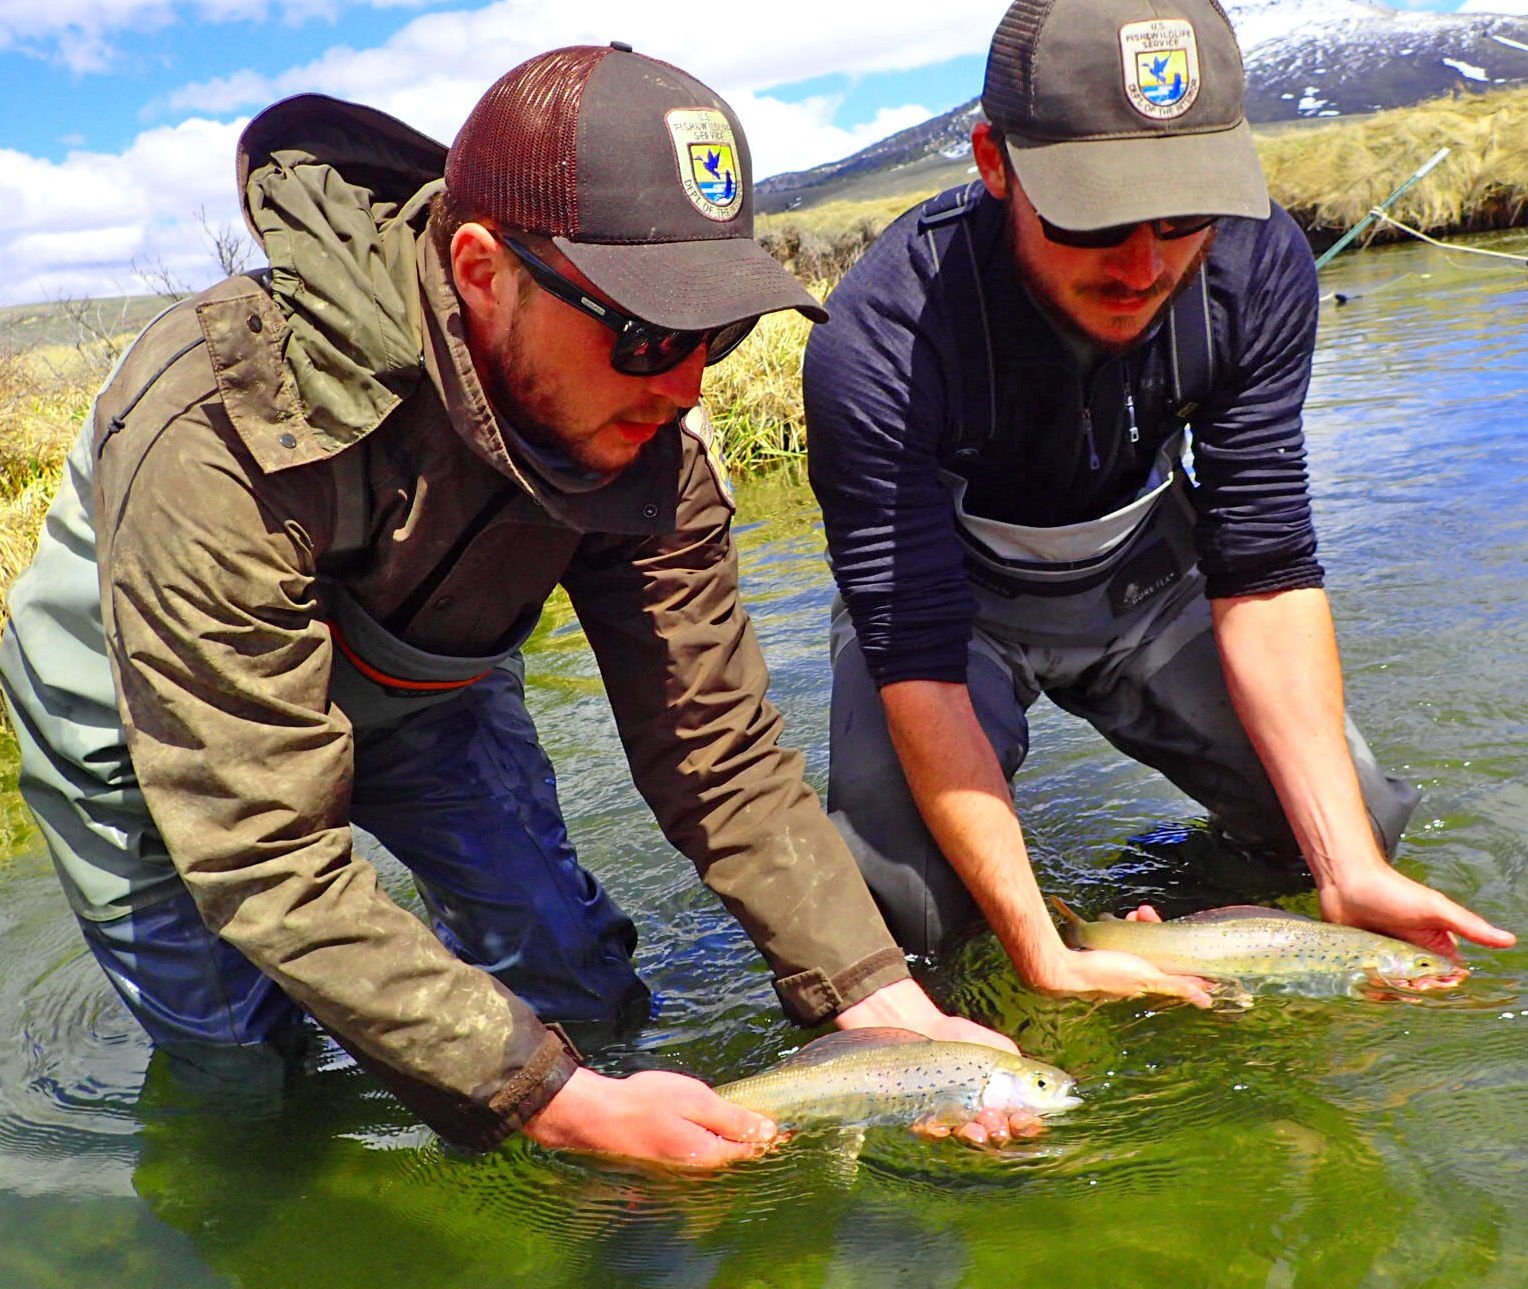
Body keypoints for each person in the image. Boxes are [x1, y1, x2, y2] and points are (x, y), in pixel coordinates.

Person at [0, 44, 1022, 1166]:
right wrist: (550, 1098)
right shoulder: (221, 421)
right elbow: (261, 847)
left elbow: (713, 746)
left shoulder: (646, 441)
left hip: (426, 678)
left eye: (715, 334)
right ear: (483, 270)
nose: (685, 382)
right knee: (248, 1074)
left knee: (572, 976)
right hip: (148, 713)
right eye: (645, 331)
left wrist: (873, 997)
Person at [803, 0, 1514, 1003]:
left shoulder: (1260, 265)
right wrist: (1035, 952)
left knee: (1351, 819)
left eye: (1184, 216)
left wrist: (1345, 867)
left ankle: (1180, 938)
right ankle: (1040, 950)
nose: (1143, 268)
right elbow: (915, 660)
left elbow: (1263, 568)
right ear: (993, 162)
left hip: (1143, 574)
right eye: (1092, 218)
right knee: (910, 902)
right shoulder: (877, 338)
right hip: (951, 611)